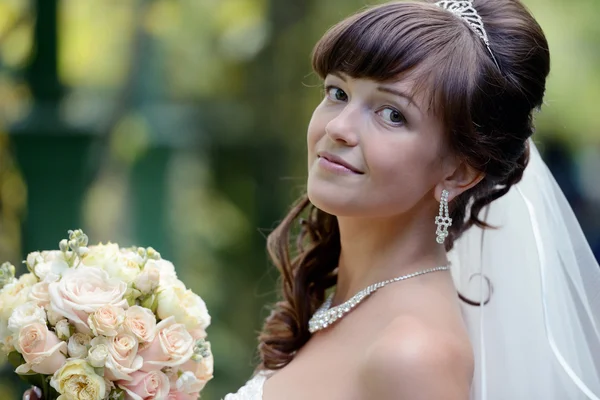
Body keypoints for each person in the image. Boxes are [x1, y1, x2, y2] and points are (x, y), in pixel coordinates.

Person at [225, 0, 600, 399]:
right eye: (338, 92)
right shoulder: (341, 299)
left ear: (458, 172)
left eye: (392, 115)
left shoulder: (414, 356)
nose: (338, 127)